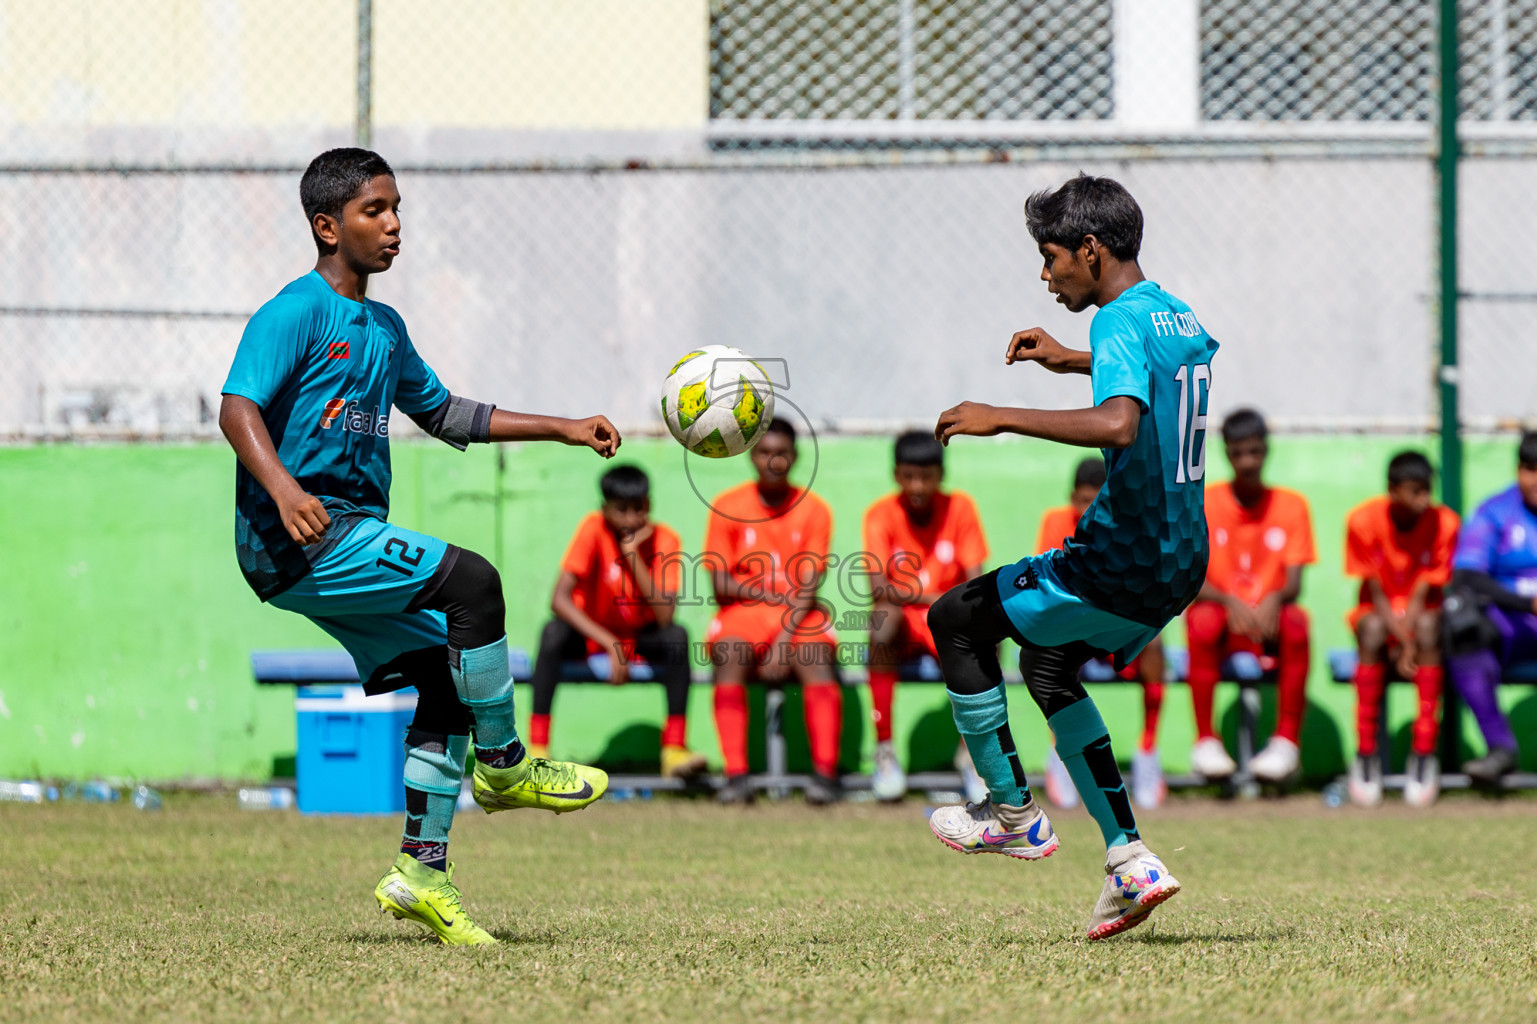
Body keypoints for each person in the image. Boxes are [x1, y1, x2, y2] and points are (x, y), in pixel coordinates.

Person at [219, 148, 617, 946]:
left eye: (398, 208)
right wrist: (287, 491)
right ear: (327, 227)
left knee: (445, 684)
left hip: (340, 535)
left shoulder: (386, 328)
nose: (395, 225)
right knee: (473, 583)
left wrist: (563, 427)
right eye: (376, 211)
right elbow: (237, 411)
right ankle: (504, 766)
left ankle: (421, 875)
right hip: (303, 536)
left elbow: (445, 413)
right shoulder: (293, 311)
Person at [926, 174, 1214, 940]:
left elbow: (1120, 425)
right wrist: (1071, 360)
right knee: (1047, 665)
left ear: (1091, 249)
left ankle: (1012, 813)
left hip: (1119, 557)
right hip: (1181, 558)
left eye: (1051, 258)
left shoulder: (1120, 318)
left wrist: (1001, 416)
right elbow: (1148, 378)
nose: (1045, 275)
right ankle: (1130, 859)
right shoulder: (1171, 311)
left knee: (955, 618)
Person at [527, 465, 705, 779]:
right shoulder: (592, 528)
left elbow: (665, 617)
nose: (632, 519)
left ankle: (674, 752)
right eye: (621, 510)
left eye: (640, 509)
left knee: (678, 636)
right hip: (594, 638)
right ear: (604, 509)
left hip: (641, 638)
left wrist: (632, 555)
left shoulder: (665, 538)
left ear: (649, 505)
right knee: (552, 632)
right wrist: (609, 643)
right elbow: (559, 600)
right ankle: (538, 751)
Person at [703, 419, 842, 805]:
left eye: (781, 453)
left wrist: (783, 638)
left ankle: (826, 775)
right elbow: (719, 584)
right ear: (752, 455)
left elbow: (810, 586)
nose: (773, 461)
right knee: (729, 652)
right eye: (764, 452)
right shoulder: (727, 505)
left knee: (815, 656)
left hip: (799, 614)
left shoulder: (815, 509)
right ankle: (736, 776)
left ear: (794, 457)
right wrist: (764, 591)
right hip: (743, 615)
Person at [1184, 408, 1316, 784]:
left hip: (1269, 627)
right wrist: (1230, 602)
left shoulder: (1292, 506)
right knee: (1202, 618)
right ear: (1226, 453)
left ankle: (1286, 741)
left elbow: (1294, 582)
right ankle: (1206, 740)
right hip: (1226, 628)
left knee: (1297, 621)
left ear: (1266, 450)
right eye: (1239, 453)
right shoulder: (1203, 502)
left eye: (1255, 452)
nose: (1248, 462)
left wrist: (1274, 599)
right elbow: (1190, 578)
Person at [1032, 456, 1168, 810]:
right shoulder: (1055, 523)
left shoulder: (1129, 524)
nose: (1088, 508)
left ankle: (1148, 750)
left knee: (1154, 641)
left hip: (1114, 627)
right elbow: (1047, 585)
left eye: (1096, 499)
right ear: (1071, 497)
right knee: (1046, 646)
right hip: (1075, 627)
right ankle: (1062, 750)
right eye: (1081, 499)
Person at [861, 431, 989, 801]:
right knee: (881, 620)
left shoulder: (960, 508)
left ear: (940, 474)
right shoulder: (880, 514)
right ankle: (884, 751)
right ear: (896, 475)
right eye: (909, 476)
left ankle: (973, 756)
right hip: (906, 623)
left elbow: (975, 582)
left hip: (948, 622)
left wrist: (938, 601)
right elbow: (876, 587)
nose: (918, 486)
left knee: (984, 631)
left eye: (927, 476)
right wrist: (934, 595)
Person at [1343, 451, 1459, 808]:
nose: (1424, 499)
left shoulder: (1445, 523)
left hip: (1421, 623)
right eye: (1415, 491)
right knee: (1374, 628)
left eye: (1428, 490)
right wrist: (1402, 639)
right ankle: (1365, 754)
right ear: (1392, 490)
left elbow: (1426, 590)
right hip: (1378, 620)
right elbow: (1375, 592)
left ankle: (1423, 754)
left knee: (1428, 623)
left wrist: (1407, 642)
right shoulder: (1362, 520)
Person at [1445, 430, 1537, 783]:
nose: (1535, 480)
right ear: (1518, 470)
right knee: (1461, 628)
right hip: (1511, 624)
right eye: (1529, 469)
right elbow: (1466, 575)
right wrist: (1527, 603)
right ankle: (1500, 749)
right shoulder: (1495, 512)